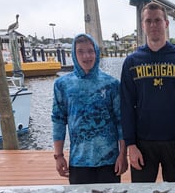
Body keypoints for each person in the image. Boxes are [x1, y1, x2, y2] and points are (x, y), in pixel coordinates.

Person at [120, 2, 175, 183]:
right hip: (143, 142)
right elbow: (126, 106)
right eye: (149, 21)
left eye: (157, 20)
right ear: (143, 25)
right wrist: (131, 144)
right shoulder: (132, 62)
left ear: (166, 24)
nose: (153, 25)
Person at [51, 33, 127, 184]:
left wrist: (123, 155)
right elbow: (58, 120)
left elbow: (121, 122)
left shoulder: (112, 84)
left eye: (90, 51)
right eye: (80, 51)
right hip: (79, 161)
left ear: (96, 53)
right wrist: (58, 156)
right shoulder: (62, 85)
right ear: (74, 54)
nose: (86, 56)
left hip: (109, 161)